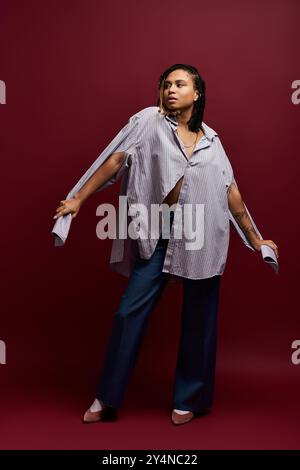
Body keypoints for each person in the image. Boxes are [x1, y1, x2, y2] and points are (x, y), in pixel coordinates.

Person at [52, 64, 279, 426]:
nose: (170, 89)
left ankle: (190, 397)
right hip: (158, 228)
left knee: (200, 317)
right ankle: (106, 397)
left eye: (180, 84)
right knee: (129, 312)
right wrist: (79, 199)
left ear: (197, 93)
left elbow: (231, 193)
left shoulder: (212, 141)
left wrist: (256, 239)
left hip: (204, 232)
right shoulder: (148, 121)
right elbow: (116, 160)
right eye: (166, 84)